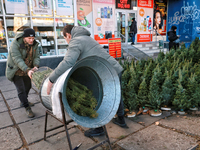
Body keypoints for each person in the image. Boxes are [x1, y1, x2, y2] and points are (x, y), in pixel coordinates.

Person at [47, 25, 128, 137]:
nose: (67, 41)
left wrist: (51, 79)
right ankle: (121, 120)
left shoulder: (75, 41)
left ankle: (98, 128)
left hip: (105, 73)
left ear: (68, 35)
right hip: (115, 69)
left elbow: (68, 62)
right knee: (116, 96)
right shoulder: (87, 38)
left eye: (65, 38)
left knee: (96, 96)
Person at [5, 28, 40, 118]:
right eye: (29, 38)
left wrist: (36, 65)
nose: (31, 40)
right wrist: (27, 70)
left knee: (28, 86)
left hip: (28, 70)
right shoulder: (15, 44)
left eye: (33, 38)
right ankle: (27, 107)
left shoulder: (35, 44)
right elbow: (17, 59)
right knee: (21, 90)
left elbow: (37, 56)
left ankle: (23, 101)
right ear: (24, 38)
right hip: (16, 70)